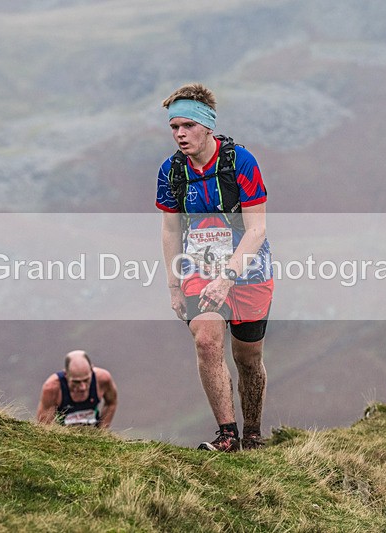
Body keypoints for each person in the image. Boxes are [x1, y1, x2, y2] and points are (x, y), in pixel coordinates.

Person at [156, 83, 274, 452]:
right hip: (198, 268)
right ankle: (227, 436)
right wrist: (174, 285)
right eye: (174, 127)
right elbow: (170, 230)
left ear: (207, 126)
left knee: (247, 358)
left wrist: (226, 279)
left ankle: (252, 434)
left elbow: (257, 230)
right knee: (207, 341)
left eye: (188, 125)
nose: (180, 134)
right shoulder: (171, 171)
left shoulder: (240, 162)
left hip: (249, 270)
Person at [36, 350, 118, 428]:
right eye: (76, 382)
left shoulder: (103, 379)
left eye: (86, 380)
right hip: (62, 434)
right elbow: (44, 426)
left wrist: (102, 430)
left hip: (93, 431)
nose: (83, 387)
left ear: (91, 369)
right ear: (66, 374)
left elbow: (111, 403)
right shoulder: (52, 388)